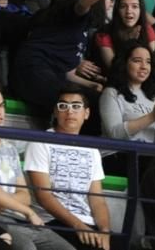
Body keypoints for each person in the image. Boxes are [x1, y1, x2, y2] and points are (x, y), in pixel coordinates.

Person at [0, 79, 74, 250]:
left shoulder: (9, 146)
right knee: (27, 248)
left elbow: (25, 195)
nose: (0, 112)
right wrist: (28, 211)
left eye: (1, 105)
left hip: (19, 216)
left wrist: (5, 201)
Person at [12, 0, 129, 115]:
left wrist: (92, 84)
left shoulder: (83, 27)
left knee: (101, 100)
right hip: (32, 72)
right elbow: (82, 5)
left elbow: (64, 71)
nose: (110, 2)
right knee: (86, 105)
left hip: (50, 76)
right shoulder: (70, 11)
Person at [25, 85, 112, 250]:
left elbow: (97, 199)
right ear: (56, 112)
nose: (69, 111)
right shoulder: (41, 142)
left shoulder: (92, 150)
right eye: (63, 106)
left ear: (86, 114)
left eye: (76, 106)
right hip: (51, 222)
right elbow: (44, 196)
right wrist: (77, 225)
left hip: (87, 224)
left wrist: (105, 231)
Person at [100, 45, 155, 146]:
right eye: (137, 61)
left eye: (148, 62)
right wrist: (152, 117)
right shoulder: (111, 93)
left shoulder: (154, 100)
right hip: (117, 156)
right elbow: (114, 134)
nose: (144, 66)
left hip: (148, 158)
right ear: (124, 63)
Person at [93, 0, 155, 73]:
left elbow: (151, 67)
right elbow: (115, 70)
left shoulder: (147, 29)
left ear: (141, 10)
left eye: (134, 6)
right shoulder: (104, 34)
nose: (129, 11)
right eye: (123, 6)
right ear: (117, 10)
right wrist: (131, 42)